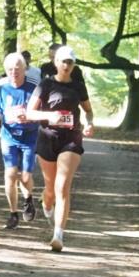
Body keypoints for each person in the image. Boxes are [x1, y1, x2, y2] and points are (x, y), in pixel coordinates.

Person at [27, 45, 95, 252]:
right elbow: (30, 113)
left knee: (62, 186)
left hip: (71, 138)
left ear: (74, 65)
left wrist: (89, 123)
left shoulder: (78, 86)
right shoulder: (46, 84)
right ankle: (47, 205)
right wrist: (50, 116)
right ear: (56, 62)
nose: (66, 65)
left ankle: (58, 235)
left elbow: (88, 110)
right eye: (63, 61)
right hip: (48, 138)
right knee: (50, 189)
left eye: (70, 62)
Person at [0, 53, 39, 229]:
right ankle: (13, 214)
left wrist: (29, 116)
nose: (14, 72)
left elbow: (42, 113)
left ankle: (28, 199)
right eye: (10, 69)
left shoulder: (34, 88)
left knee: (25, 177)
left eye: (17, 69)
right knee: (10, 174)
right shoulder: (2, 87)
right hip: (9, 137)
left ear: (24, 69)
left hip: (29, 137)